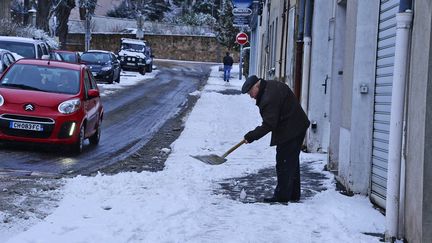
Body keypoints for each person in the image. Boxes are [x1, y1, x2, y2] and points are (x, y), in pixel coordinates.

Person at [241, 75, 310, 203]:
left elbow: (269, 124)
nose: (250, 96)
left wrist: (251, 136)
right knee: (291, 161)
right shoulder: (270, 86)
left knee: (284, 162)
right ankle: (293, 194)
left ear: (257, 85)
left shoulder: (269, 98)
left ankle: (282, 196)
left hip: (291, 129)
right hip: (296, 125)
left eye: (250, 92)